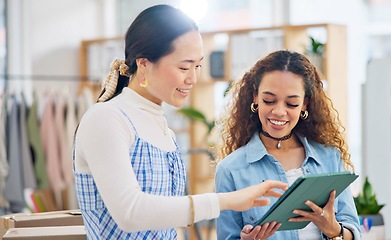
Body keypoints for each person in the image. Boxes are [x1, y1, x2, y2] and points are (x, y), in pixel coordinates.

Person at [73, 5, 288, 239]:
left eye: (197, 66)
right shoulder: (106, 119)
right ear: (143, 63)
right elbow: (130, 213)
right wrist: (226, 201)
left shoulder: (165, 131)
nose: (193, 78)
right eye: (184, 67)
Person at [215, 50, 361, 240]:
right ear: (255, 97)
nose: (279, 111)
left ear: (305, 105)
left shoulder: (328, 157)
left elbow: (354, 231)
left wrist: (334, 230)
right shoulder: (230, 170)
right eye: (269, 100)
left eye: (291, 104)